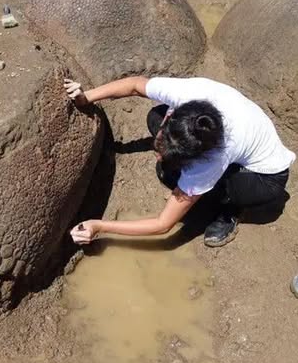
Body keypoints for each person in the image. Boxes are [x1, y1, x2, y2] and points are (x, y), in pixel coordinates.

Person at [65, 75, 295, 247]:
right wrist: (86, 97)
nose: (158, 155)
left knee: (214, 190)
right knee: (154, 117)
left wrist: (100, 226)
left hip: (266, 178)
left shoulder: (214, 159)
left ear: (196, 157)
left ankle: (229, 212)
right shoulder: (187, 93)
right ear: (173, 115)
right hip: (231, 137)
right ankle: (193, 179)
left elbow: (163, 224)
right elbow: (135, 85)